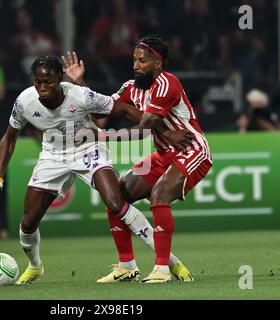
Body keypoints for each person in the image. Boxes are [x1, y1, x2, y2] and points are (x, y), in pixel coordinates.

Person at [0, 56, 189, 285]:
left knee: (116, 203)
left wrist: (166, 134)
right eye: (37, 82)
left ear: (59, 78)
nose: (42, 88)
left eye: (47, 81)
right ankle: (35, 266)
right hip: (53, 155)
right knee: (28, 223)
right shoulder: (25, 102)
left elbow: (126, 110)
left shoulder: (80, 96)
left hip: (88, 148)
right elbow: (9, 139)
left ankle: (170, 261)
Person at [65, 35, 212, 283]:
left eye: (142, 61)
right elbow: (100, 108)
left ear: (157, 62)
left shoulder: (167, 84)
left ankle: (162, 270)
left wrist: (100, 136)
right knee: (117, 194)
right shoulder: (130, 87)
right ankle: (126, 266)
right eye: (134, 60)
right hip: (164, 153)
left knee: (160, 194)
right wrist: (80, 84)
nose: (135, 65)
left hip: (191, 150)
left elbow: (143, 129)